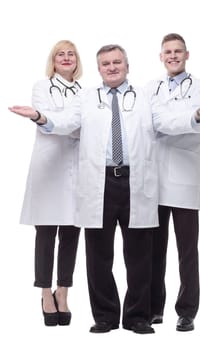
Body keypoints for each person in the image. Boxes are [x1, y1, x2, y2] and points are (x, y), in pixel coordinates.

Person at [9, 44, 200, 334]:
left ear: (127, 65)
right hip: (99, 182)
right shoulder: (86, 98)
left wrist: (198, 113)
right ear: (99, 69)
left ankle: (137, 317)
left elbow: (168, 122)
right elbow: (66, 123)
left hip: (134, 181)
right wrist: (41, 117)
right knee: (98, 254)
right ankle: (105, 317)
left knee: (139, 254)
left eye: (117, 62)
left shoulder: (145, 98)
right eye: (105, 64)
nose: (112, 67)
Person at [146, 33, 200, 332]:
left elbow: (178, 125)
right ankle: (154, 308)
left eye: (178, 51)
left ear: (187, 55)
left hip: (184, 177)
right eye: (168, 52)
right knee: (154, 248)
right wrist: (191, 115)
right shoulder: (152, 88)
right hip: (155, 179)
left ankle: (187, 311)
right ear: (161, 56)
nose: (173, 56)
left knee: (187, 250)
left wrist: (193, 115)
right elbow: (154, 121)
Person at [18, 40, 83, 326]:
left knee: (71, 235)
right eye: (61, 54)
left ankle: (64, 292)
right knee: (45, 235)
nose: (66, 58)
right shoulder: (42, 87)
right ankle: (45, 293)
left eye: (71, 54)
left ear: (77, 60)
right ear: (53, 61)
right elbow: (62, 122)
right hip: (48, 168)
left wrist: (57, 121)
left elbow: (78, 123)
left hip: (76, 170)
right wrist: (48, 119)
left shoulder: (86, 92)